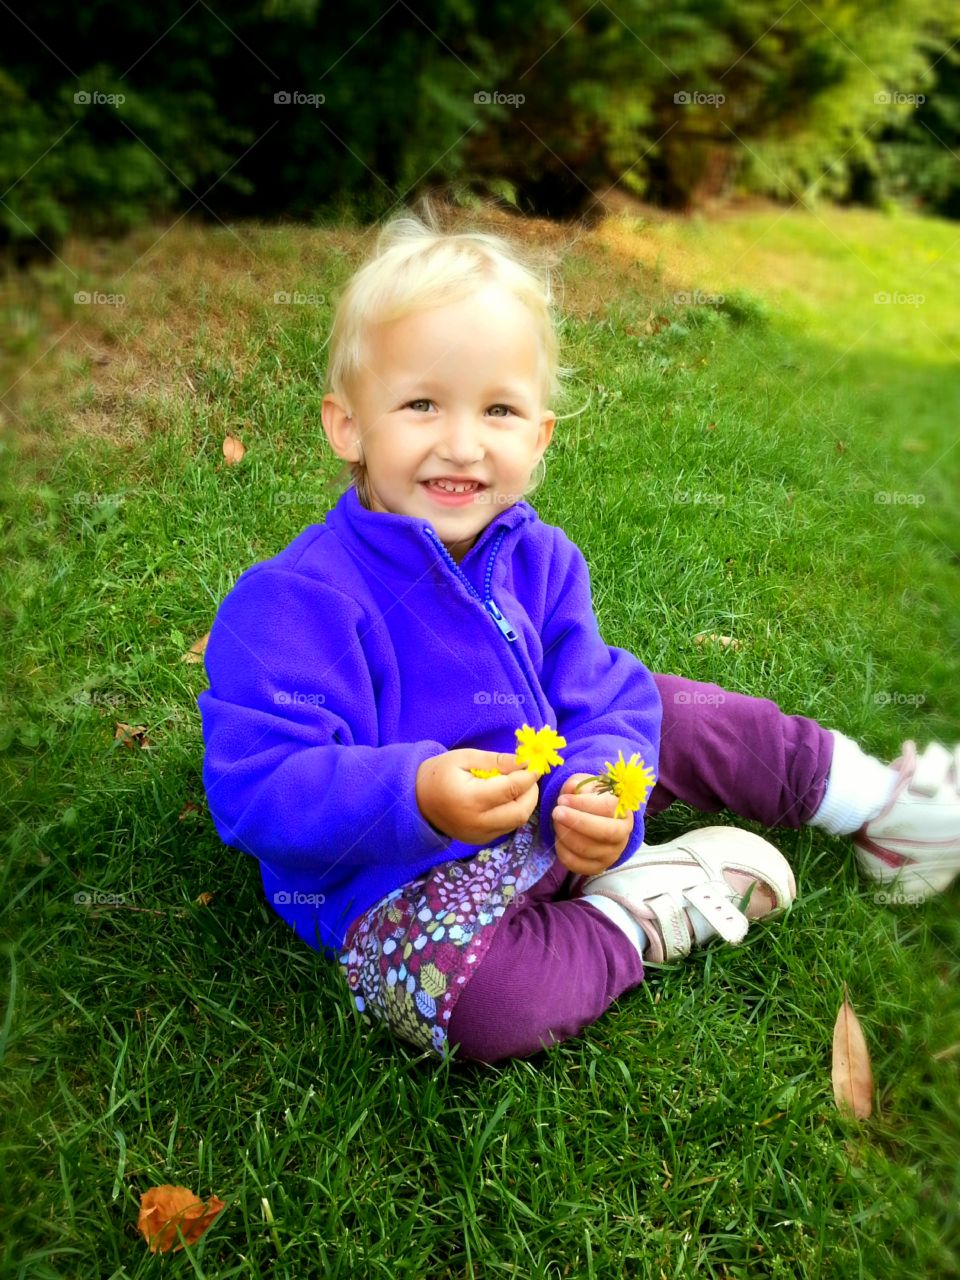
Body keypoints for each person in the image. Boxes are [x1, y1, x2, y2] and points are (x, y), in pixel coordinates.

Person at [197, 205, 960, 1066]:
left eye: (498, 410)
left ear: (540, 435)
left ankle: (877, 805)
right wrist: (412, 793)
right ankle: (631, 917)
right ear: (348, 426)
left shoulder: (546, 560)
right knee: (477, 1006)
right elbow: (257, 784)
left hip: (556, 817)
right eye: (419, 404)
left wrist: (604, 791)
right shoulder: (294, 602)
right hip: (408, 882)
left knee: (682, 710)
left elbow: (601, 695)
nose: (461, 443)